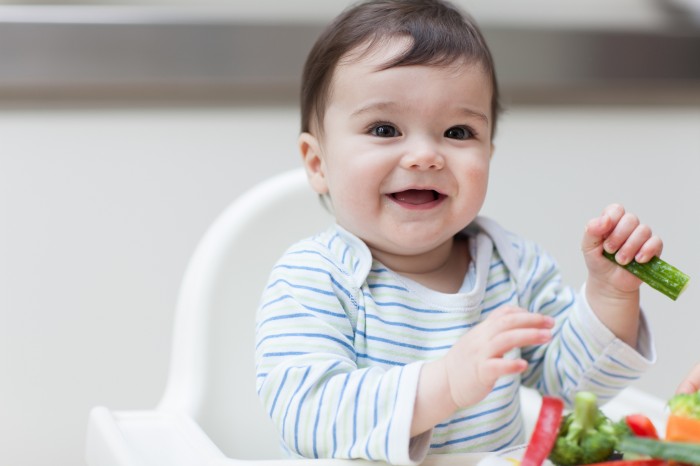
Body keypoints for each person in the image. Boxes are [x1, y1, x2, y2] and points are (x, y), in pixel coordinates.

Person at [254, 0, 661, 463]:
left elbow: (571, 388)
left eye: (458, 132)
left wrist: (610, 296)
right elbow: (306, 414)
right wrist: (444, 383)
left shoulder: (514, 268)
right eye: (385, 128)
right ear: (317, 163)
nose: (425, 155)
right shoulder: (313, 278)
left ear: (489, 151)